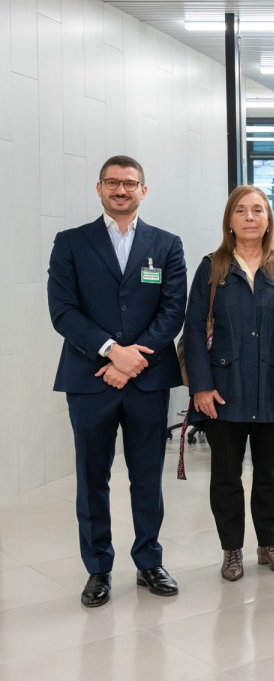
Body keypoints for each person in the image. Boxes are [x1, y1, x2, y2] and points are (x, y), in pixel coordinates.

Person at [47, 155, 187, 607]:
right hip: (90, 380)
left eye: (130, 183)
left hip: (147, 382)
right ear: (99, 187)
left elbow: (173, 309)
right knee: (93, 479)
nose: (121, 190)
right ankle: (99, 569)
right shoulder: (70, 243)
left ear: (144, 190)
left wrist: (133, 360)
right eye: (113, 183)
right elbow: (63, 311)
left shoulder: (166, 244)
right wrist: (111, 352)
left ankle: (149, 560)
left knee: (147, 477)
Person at [183, 186, 274, 581]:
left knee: (269, 474)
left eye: (258, 211)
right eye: (241, 211)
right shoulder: (212, 268)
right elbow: (195, 332)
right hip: (223, 391)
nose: (250, 217)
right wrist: (200, 386)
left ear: (268, 219)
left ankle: (269, 544)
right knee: (226, 475)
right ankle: (231, 550)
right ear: (230, 220)